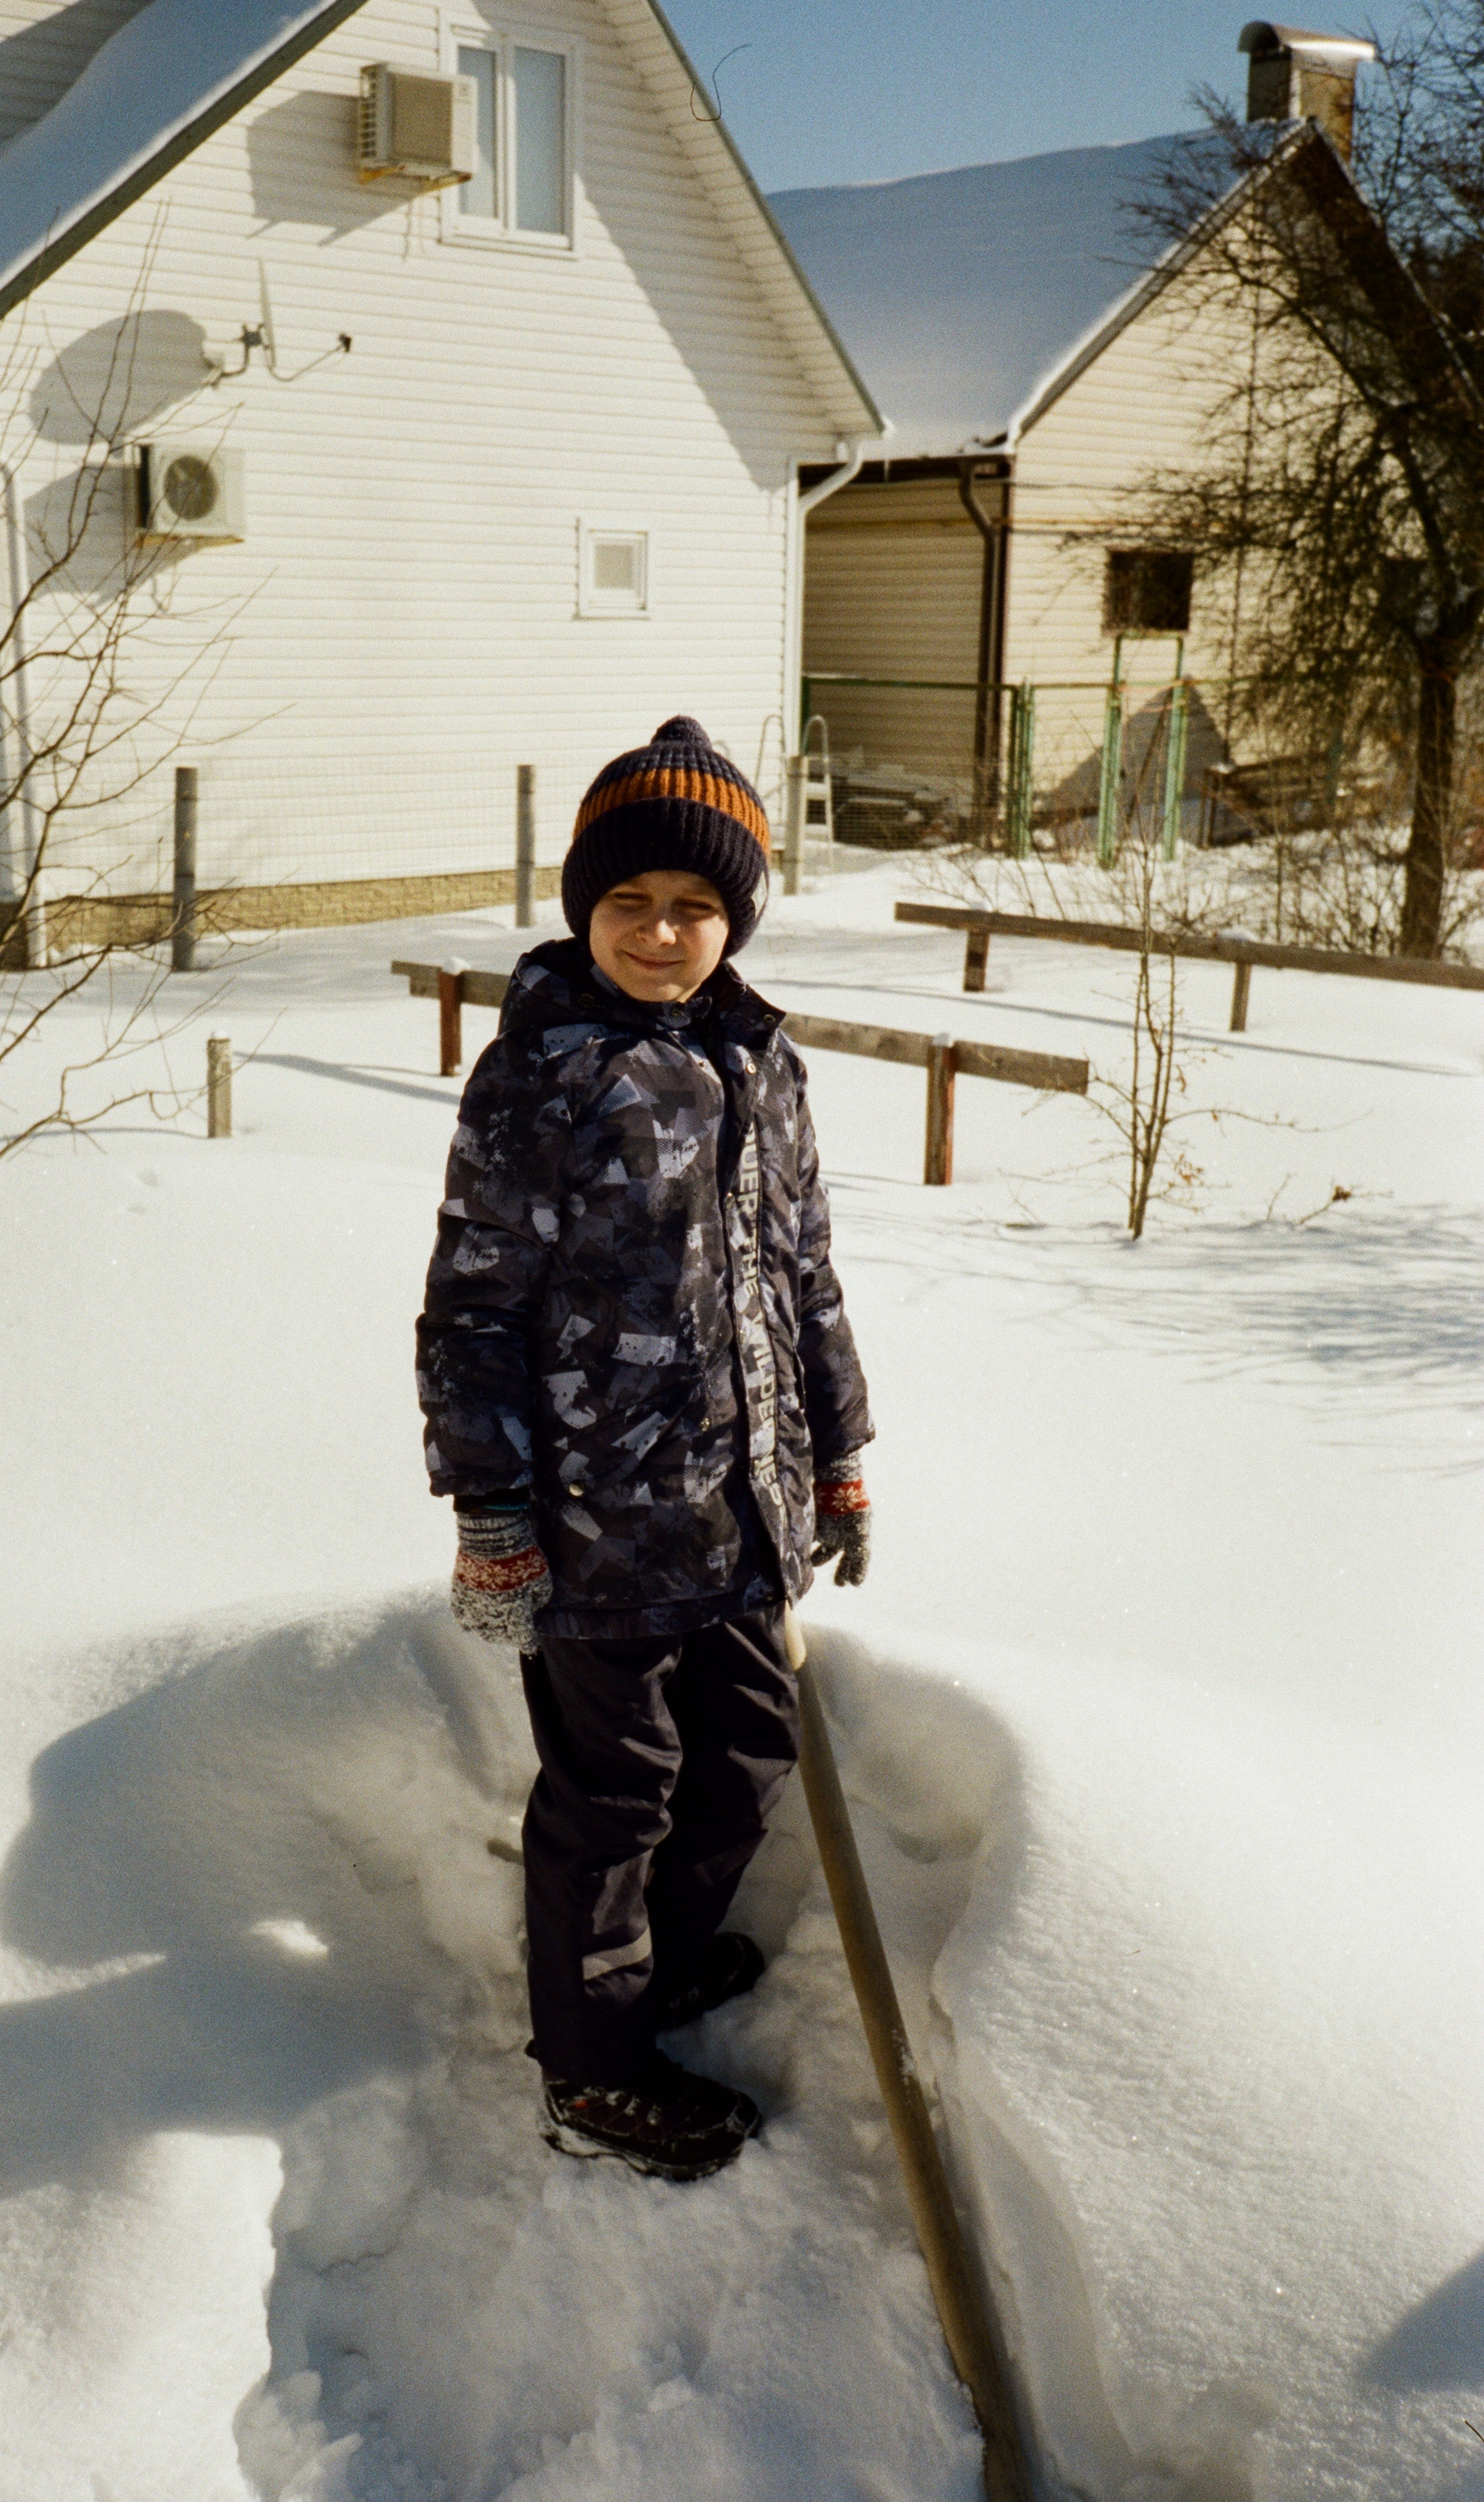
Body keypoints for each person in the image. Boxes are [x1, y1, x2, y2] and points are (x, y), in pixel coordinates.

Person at [416, 717, 873, 2181]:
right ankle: (590, 2067)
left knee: (747, 1754)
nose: (662, 931)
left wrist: (839, 1449)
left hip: (741, 1516)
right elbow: (473, 1309)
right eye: (630, 902)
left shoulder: (764, 1061)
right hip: (597, 1527)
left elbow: (804, 1272)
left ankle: (653, 1965)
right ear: (583, 910)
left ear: (737, 917)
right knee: (612, 1797)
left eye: (693, 904)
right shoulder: (540, 1077)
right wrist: (494, 1511)